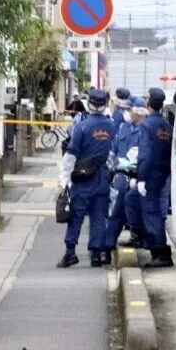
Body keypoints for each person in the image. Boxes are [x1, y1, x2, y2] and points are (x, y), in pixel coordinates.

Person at [58, 88, 115, 268]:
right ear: (105, 104)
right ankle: (96, 254)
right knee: (99, 215)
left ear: (89, 104)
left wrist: (64, 179)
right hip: (103, 177)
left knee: (76, 214)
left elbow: (71, 155)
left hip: (83, 177)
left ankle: (70, 252)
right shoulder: (112, 125)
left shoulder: (82, 126)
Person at [103, 97, 148, 263]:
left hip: (138, 178)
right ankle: (107, 247)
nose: (126, 113)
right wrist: (110, 167)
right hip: (121, 176)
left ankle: (140, 238)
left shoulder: (146, 130)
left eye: (129, 110)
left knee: (138, 212)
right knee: (115, 213)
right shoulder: (123, 128)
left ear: (138, 112)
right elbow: (114, 149)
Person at [136, 87, 174, 268]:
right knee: (158, 211)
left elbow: (144, 154)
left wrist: (141, 177)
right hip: (165, 173)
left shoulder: (146, 125)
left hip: (150, 174)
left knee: (151, 213)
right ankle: (160, 250)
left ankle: (160, 252)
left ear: (148, 103)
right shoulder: (167, 126)